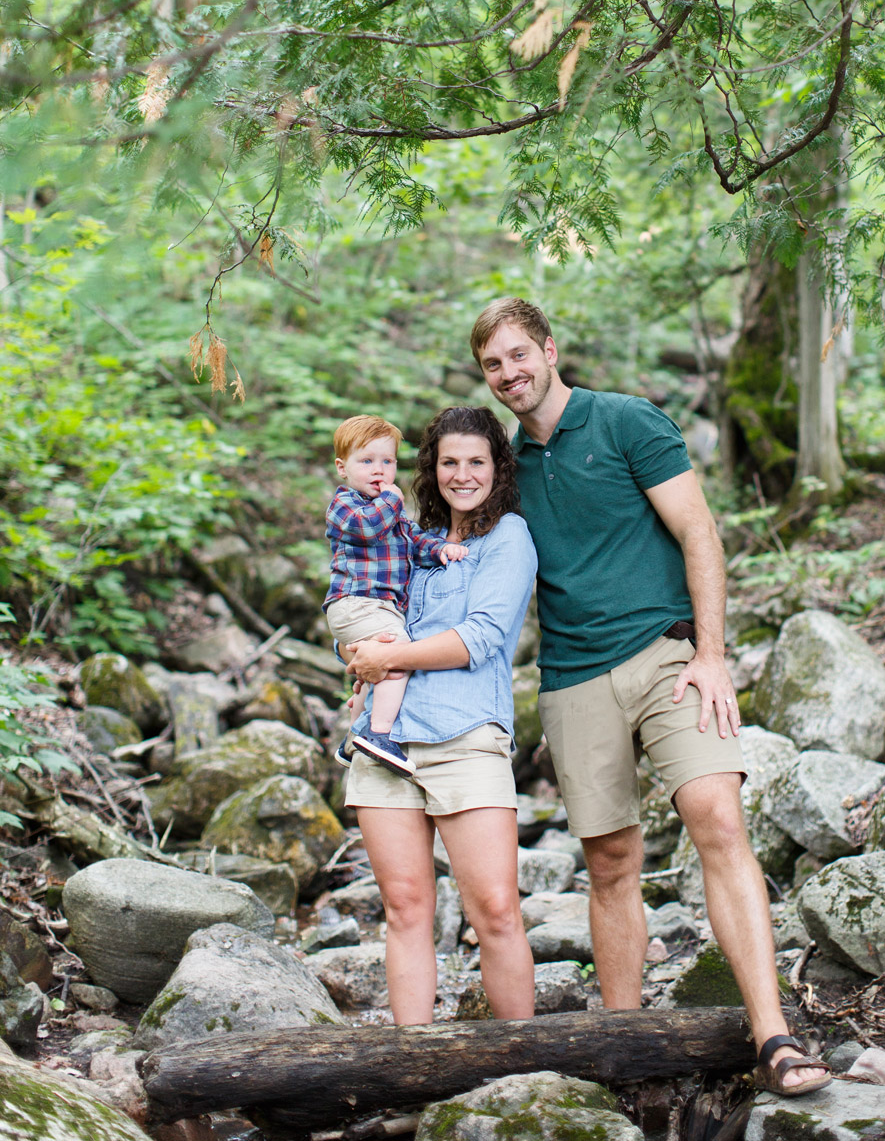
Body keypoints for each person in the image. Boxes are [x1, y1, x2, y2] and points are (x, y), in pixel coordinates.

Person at [471, 296, 831, 1097]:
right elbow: (457, 542)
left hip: (667, 655)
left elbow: (700, 530)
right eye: (493, 364)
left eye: (519, 355)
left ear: (551, 349)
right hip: (571, 677)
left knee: (718, 815)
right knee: (610, 861)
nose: (509, 374)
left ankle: (773, 1035)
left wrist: (711, 653)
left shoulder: (629, 421)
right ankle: (628, 1049)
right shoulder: (504, 468)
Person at [339, 406, 538, 1024]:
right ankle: (415, 1062)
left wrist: (385, 656)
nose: (462, 474)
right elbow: (364, 603)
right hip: (386, 744)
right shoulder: (406, 533)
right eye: (449, 461)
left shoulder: (508, 538)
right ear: (432, 467)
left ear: (498, 468)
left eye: (476, 461)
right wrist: (357, 649)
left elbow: (479, 638)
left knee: (497, 911)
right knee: (404, 908)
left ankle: (526, 1069)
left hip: (465, 737)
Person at [323, 415, 470, 776]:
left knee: (373, 675)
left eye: (387, 461)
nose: (379, 470)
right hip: (356, 601)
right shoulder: (346, 506)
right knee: (396, 658)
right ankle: (378, 734)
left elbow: (413, 540)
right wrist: (391, 499)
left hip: (379, 606)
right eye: (367, 461)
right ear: (343, 468)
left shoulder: (394, 513)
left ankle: (351, 739)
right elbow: (368, 529)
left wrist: (439, 550)